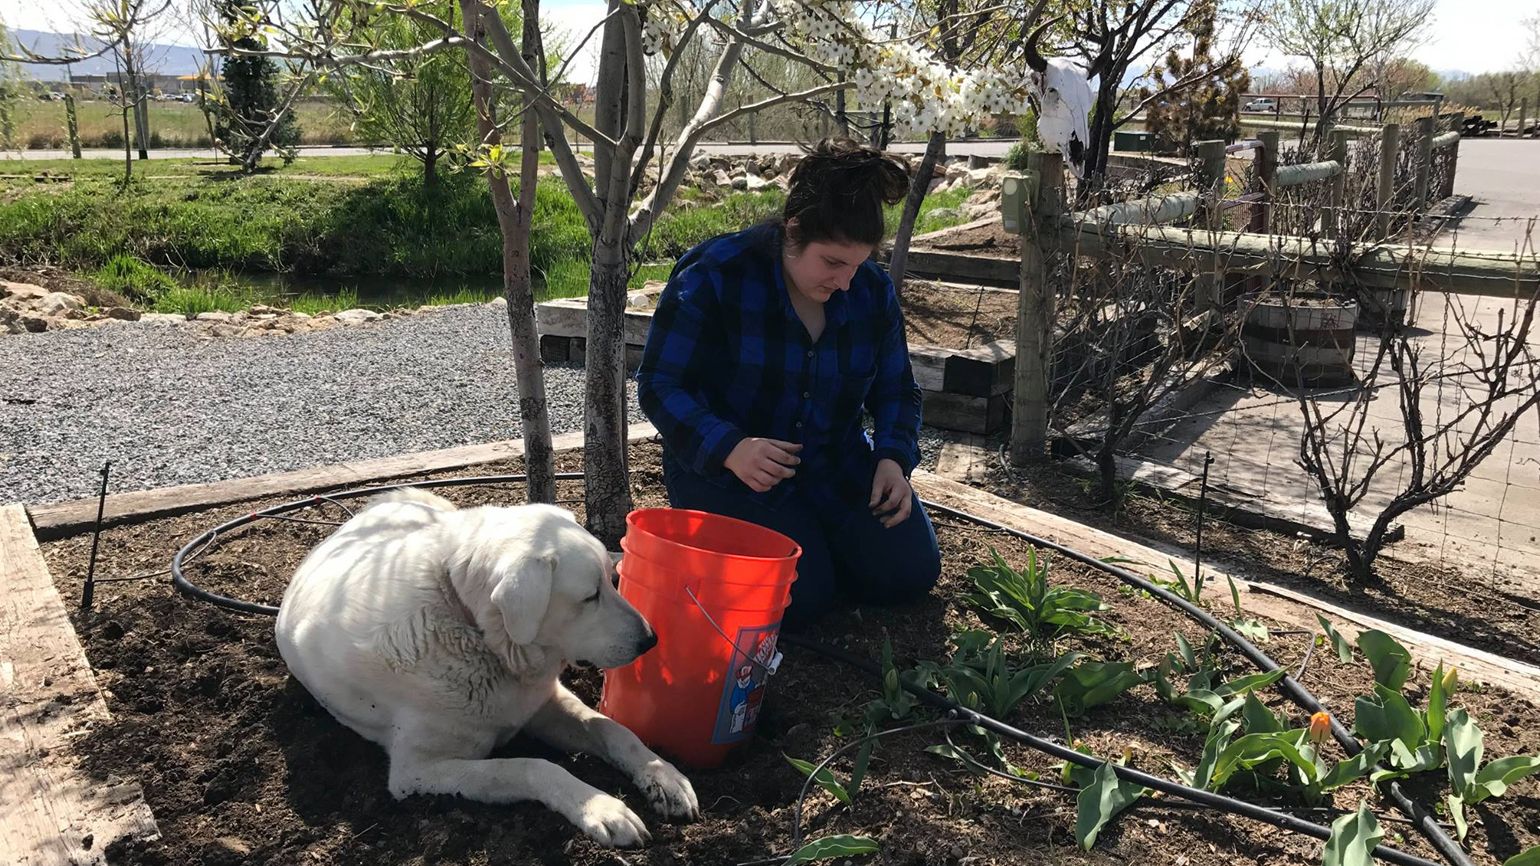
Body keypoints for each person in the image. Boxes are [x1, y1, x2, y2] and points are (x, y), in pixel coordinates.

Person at [635, 138, 942, 629]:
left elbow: (897, 390)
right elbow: (659, 383)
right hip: (728, 471)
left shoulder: (870, 291)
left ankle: (819, 545)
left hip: (834, 461)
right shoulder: (717, 274)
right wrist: (731, 447)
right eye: (833, 263)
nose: (845, 281)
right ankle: (805, 553)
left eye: (858, 264)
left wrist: (892, 459)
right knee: (802, 599)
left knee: (909, 574)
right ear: (792, 232)